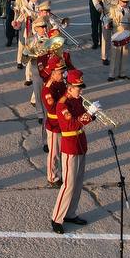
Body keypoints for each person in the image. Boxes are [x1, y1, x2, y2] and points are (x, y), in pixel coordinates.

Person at [50, 69, 93, 234]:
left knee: (78, 183)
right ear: (69, 87)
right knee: (68, 185)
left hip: (81, 144)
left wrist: (91, 114)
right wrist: (89, 115)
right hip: (70, 147)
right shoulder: (63, 104)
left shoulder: (77, 100)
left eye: (80, 87)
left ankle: (70, 213)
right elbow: (72, 125)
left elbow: (82, 118)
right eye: (77, 87)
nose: (80, 91)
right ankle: (57, 218)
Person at [39, 58, 67, 186]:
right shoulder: (47, 89)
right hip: (54, 125)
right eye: (61, 72)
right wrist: (67, 96)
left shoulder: (60, 82)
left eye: (63, 72)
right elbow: (53, 108)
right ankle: (53, 177)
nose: (63, 74)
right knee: (54, 153)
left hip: (64, 123)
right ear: (53, 73)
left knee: (64, 151)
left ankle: (64, 173)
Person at [103, 0, 130, 81]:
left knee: (124, 54)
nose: (125, 3)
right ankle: (112, 74)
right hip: (116, 34)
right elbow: (106, 18)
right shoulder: (113, 9)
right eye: (123, 1)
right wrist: (107, 24)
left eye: (126, 2)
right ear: (119, 0)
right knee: (114, 55)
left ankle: (122, 73)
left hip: (127, 34)